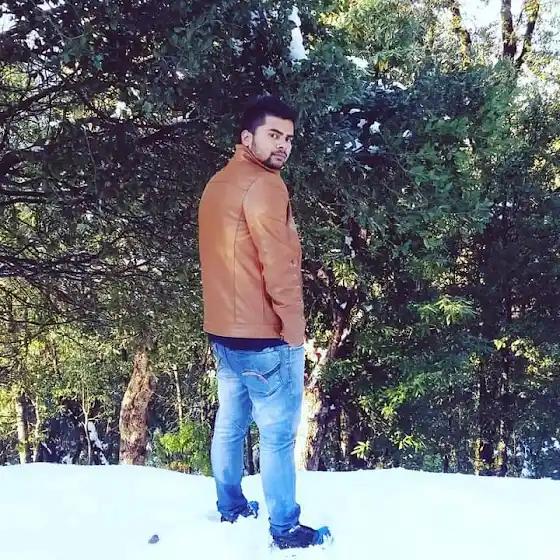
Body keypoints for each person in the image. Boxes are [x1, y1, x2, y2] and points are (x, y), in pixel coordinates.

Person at [197, 96, 331, 550]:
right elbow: (280, 267)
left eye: (288, 138)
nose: (283, 146)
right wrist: (295, 333)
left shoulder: (218, 182)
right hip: (264, 336)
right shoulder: (266, 186)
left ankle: (231, 506)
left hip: (223, 331)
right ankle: (286, 528)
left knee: (230, 423)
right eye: (273, 135)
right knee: (276, 437)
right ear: (246, 137)